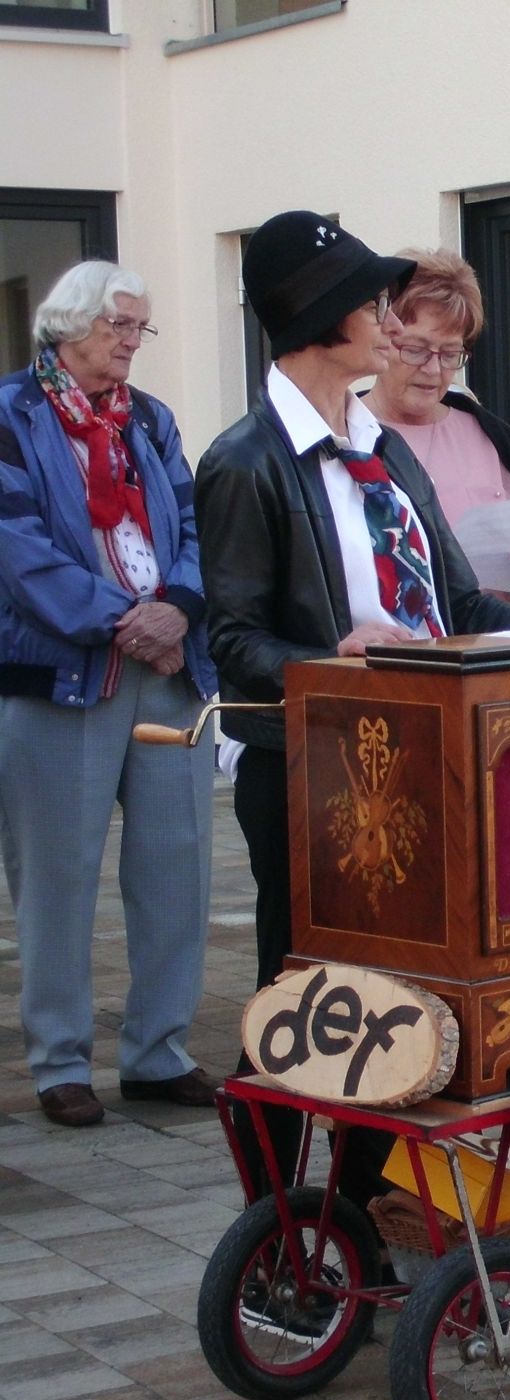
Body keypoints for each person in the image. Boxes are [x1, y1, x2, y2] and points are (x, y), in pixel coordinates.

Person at [196, 211, 510, 1193]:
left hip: (420, 761)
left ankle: (356, 1208)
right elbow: (232, 641)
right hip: (310, 773)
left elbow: (458, 605)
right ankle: (278, 1226)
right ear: (320, 320)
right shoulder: (243, 462)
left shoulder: (383, 451)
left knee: (401, 1004)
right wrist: (333, 659)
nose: (390, 323)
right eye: (371, 303)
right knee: (306, 1004)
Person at [0, 262, 219, 1128]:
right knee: (56, 876)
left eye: (140, 328)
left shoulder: (150, 420)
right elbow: (18, 551)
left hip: (167, 670)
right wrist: (124, 620)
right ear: (68, 324)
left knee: (177, 867)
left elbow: (194, 527)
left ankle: (158, 1053)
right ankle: (59, 1061)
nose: (133, 342)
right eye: (118, 325)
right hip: (65, 675)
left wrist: (180, 609)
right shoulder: (11, 414)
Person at [361, 248, 510, 622]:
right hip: (394, 649)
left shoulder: (490, 437)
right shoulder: (344, 434)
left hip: (492, 650)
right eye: (415, 350)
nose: (434, 370)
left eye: (450, 354)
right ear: (384, 336)